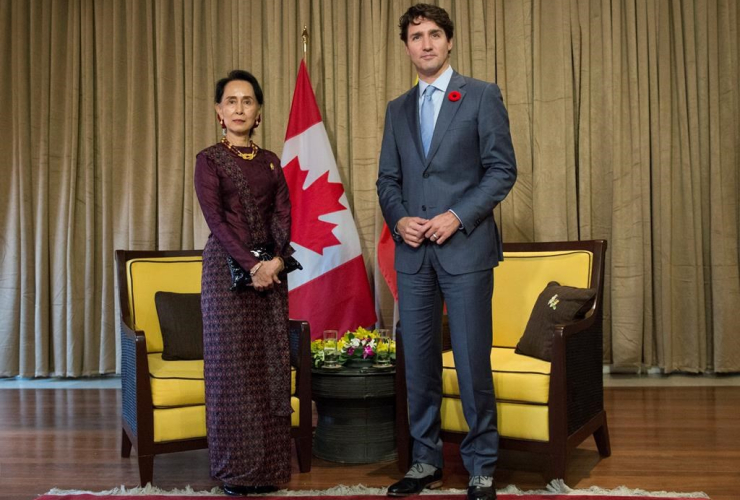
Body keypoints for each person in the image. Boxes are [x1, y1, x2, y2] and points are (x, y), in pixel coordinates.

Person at [376, 5, 517, 500]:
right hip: (413, 255)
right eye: (416, 36)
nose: (427, 44)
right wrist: (398, 220)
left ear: (450, 42)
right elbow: (387, 180)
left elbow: (502, 170)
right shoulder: (397, 109)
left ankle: (481, 465)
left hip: (466, 251)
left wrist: (457, 216)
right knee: (418, 362)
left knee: (474, 360)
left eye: (435, 34)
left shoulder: (480, 95)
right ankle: (424, 461)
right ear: (407, 46)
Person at [194, 70, 293, 496]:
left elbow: (283, 215)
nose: (239, 108)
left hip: (271, 273)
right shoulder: (208, 160)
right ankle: (235, 472)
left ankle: (270, 468)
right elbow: (216, 220)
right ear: (219, 111)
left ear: (258, 112)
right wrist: (251, 266)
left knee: (268, 368)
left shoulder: (271, 161)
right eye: (231, 101)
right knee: (233, 372)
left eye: (247, 101)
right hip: (226, 275)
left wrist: (272, 262)